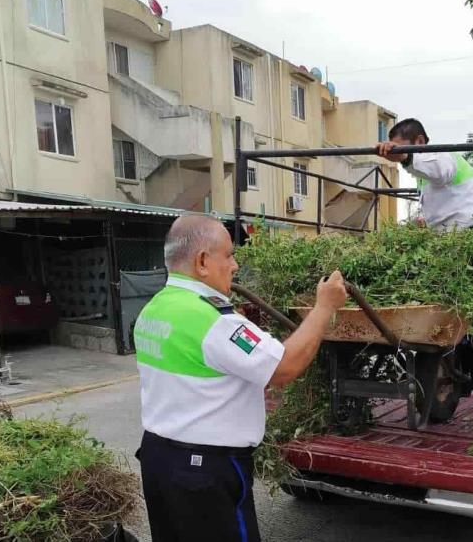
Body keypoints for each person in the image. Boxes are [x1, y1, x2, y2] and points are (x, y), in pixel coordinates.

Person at [134, 214, 347, 542]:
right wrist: (323, 307)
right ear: (203, 261)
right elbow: (284, 367)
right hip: (205, 471)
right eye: (229, 255)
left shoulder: (154, 309)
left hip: (159, 459)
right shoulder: (215, 320)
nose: (235, 265)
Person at [376, 118, 473, 231]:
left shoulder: (442, 156)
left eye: (401, 148)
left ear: (419, 141)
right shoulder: (421, 174)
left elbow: (439, 169)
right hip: (459, 235)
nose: (397, 155)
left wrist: (405, 156)